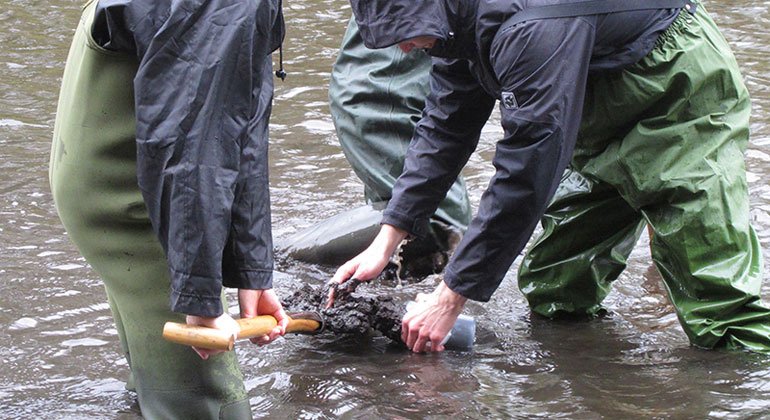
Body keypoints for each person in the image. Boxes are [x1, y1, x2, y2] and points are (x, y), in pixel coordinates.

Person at [329, 0, 770, 354]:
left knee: (718, 301)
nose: (403, 50)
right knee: (556, 285)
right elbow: (444, 128)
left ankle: (742, 390)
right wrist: (387, 240)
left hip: (674, 96)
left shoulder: (528, 26)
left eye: (403, 34)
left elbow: (525, 174)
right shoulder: (455, 24)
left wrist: (450, 297)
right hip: (589, 111)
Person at [49, 0, 288, 418]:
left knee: (156, 380)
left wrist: (253, 270)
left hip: (121, 169)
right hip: (130, 195)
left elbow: (241, 121)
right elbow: (193, 146)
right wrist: (200, 301)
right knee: (213, 402)